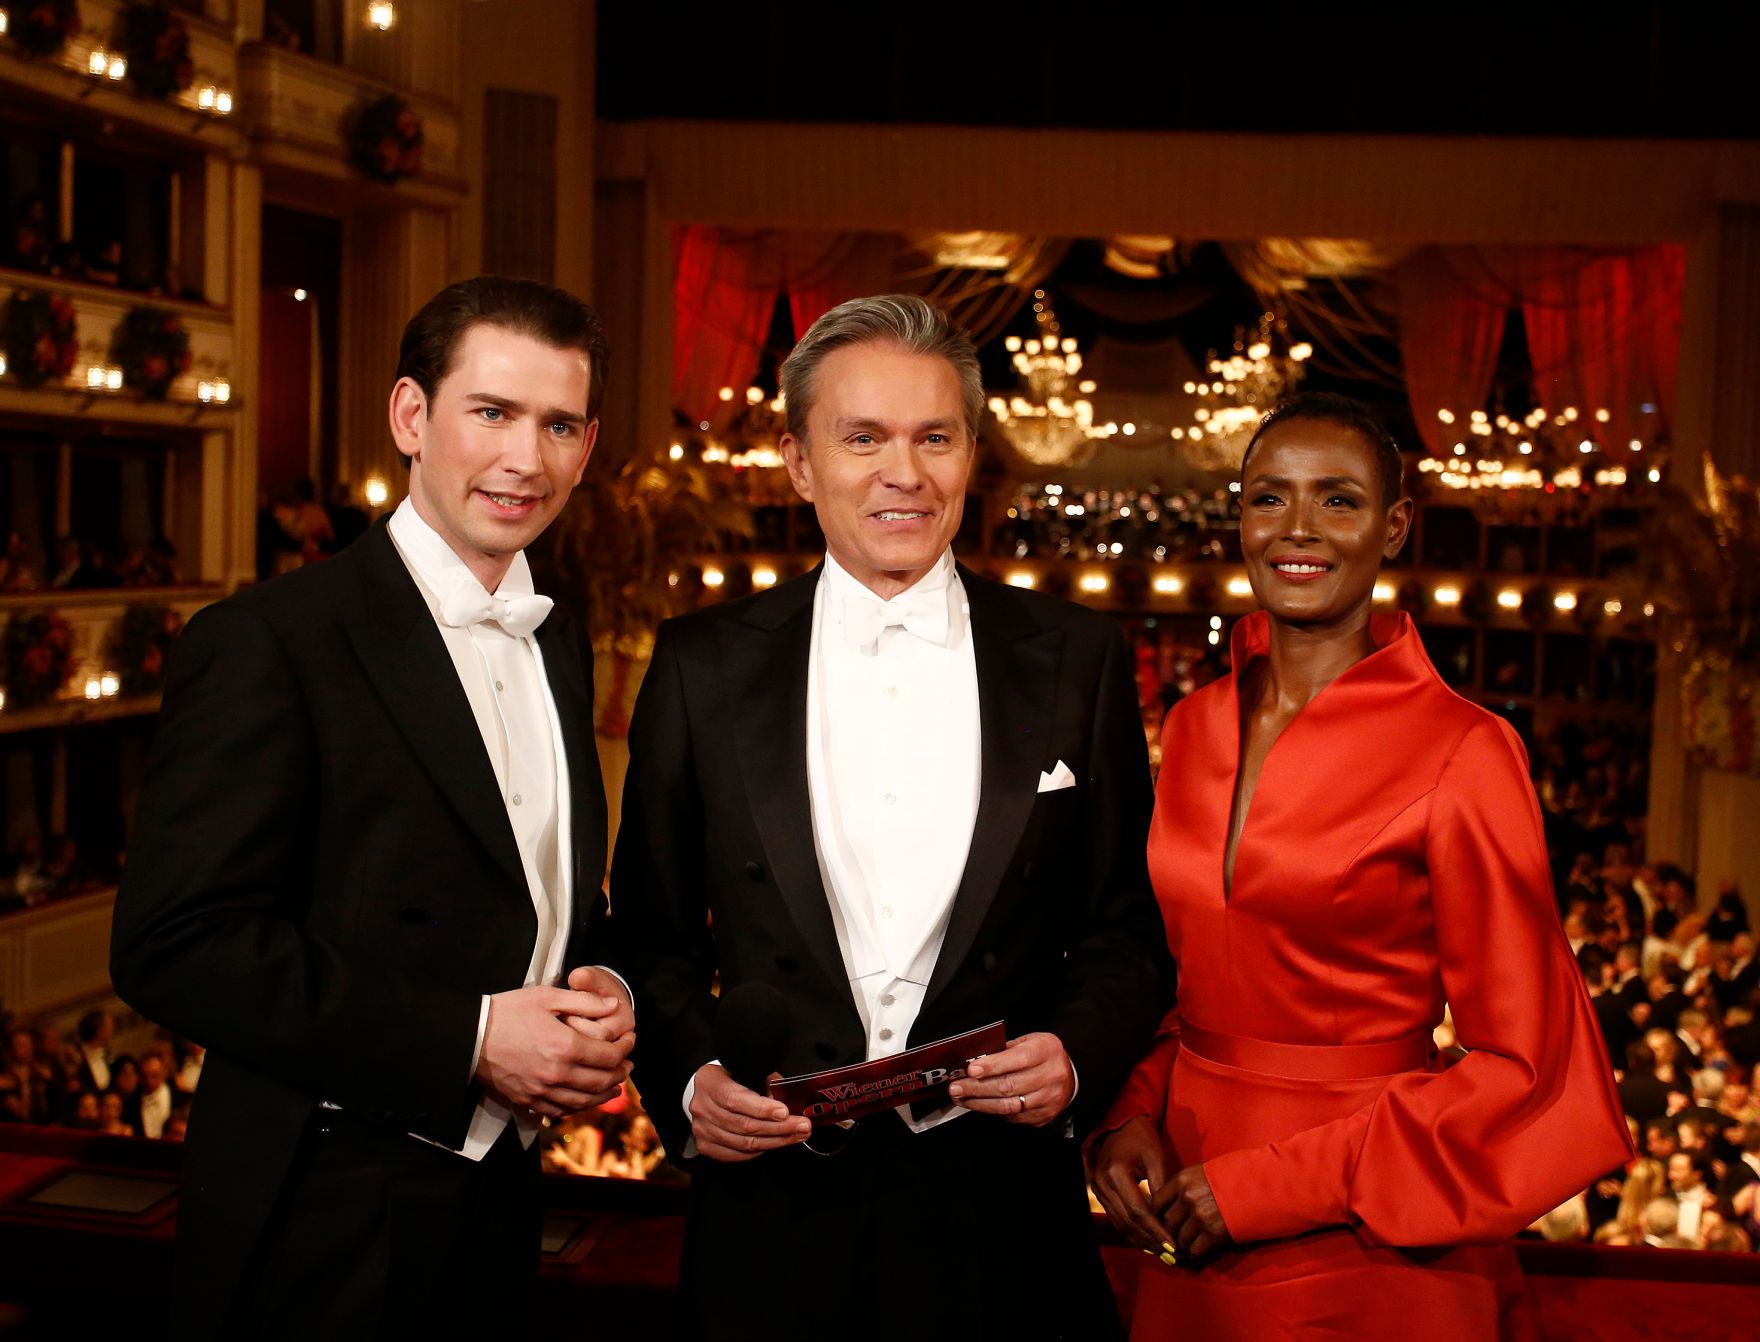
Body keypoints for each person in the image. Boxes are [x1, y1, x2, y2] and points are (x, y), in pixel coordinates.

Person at [610, 294, 1172, 1338]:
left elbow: (1123, 930)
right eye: (861, 437)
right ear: (797, 461)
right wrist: (689, 1081)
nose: (900, 473)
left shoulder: (1075, 659)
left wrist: (1075, 1051)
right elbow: (646, 931)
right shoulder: (700, 664)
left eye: (933, 438)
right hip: (771, 1213)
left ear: (970, 455)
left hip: (1002, 1217)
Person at [110, 276, 633, 1340]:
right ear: (409, 416)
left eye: (558, 424)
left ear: (587, 445)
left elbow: (535, 891)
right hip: (318, 1215)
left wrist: (605, 983)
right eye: (490, 412)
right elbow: (175, 944)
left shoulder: (558, 641)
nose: (524, 459)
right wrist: (472, 1037)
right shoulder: (269, 638)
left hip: (495, 1207)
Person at [1088, 393, 1631, 1339]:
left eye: (1337, 500)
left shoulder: (1464, 748)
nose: (1298, 529)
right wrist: (1127, 1115)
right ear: (1240, 517)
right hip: (1180, 1218)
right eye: (1269, 498)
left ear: (1394, 526)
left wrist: (1268, 1186)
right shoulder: (1191, 727)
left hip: (1371, 1236)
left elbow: (1528, 1065)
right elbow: (1193, 986)